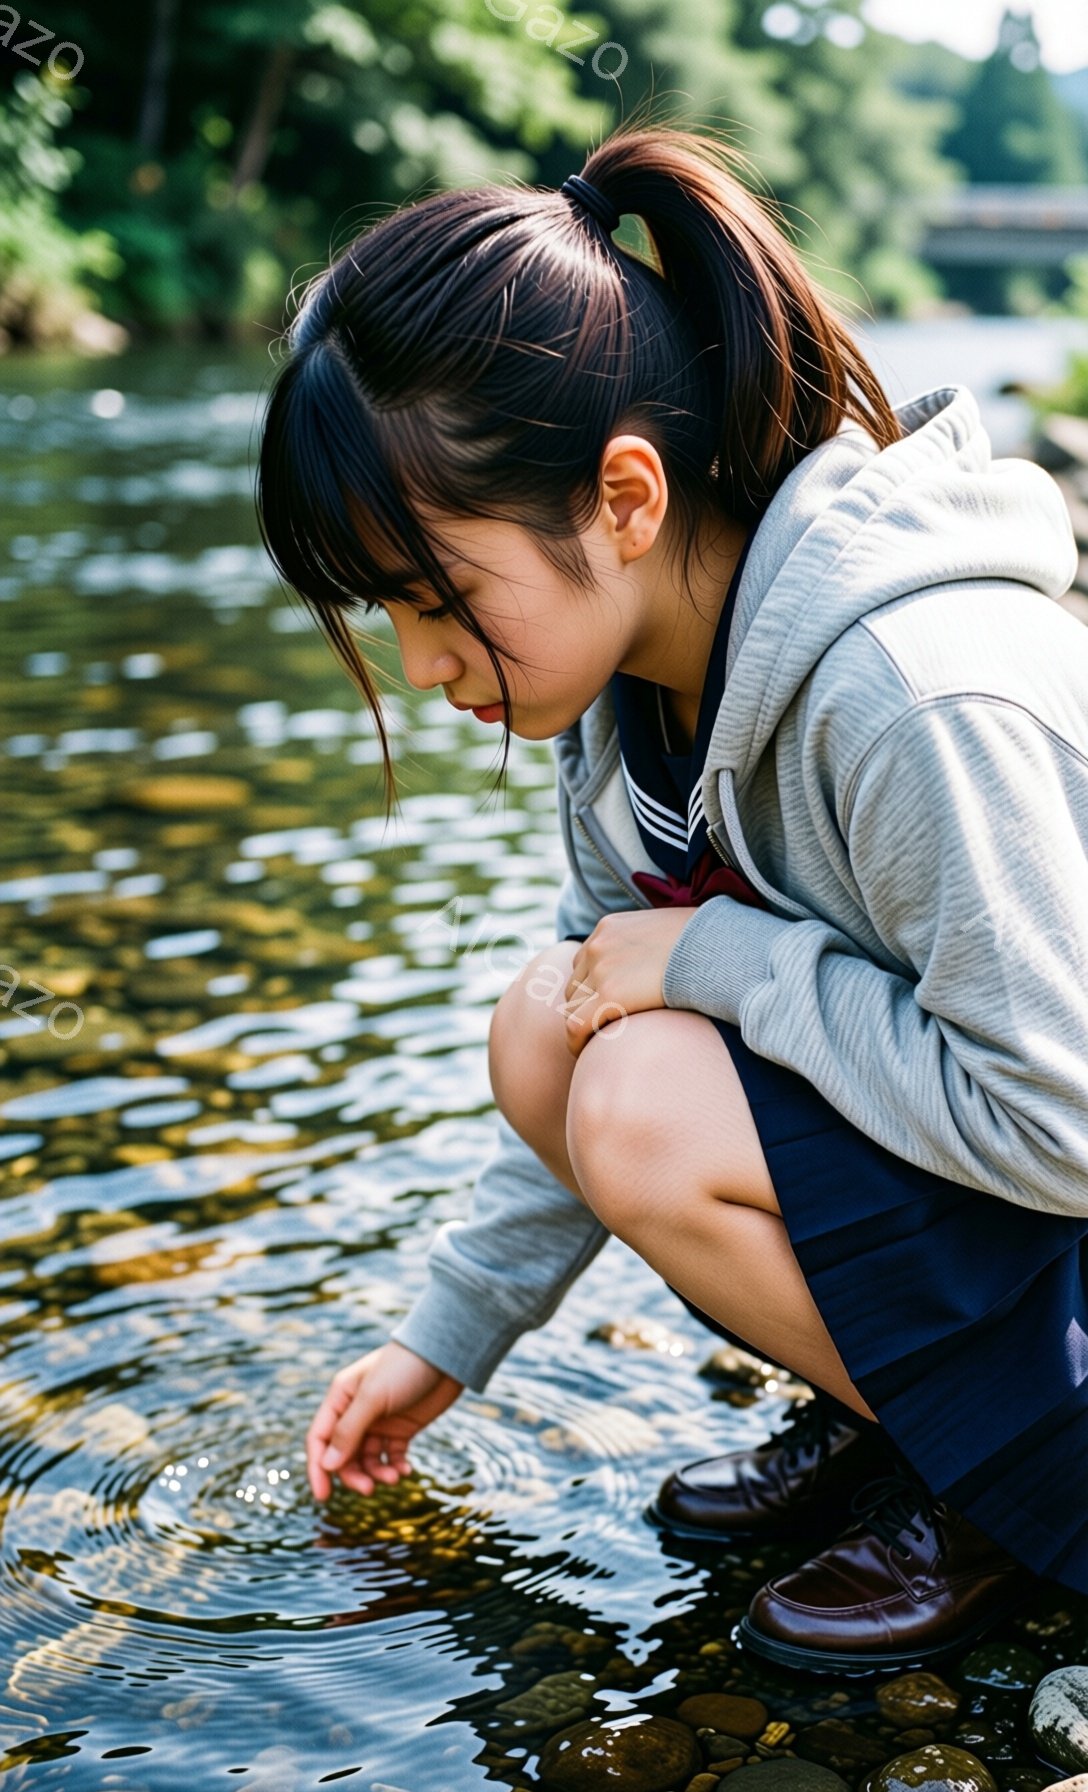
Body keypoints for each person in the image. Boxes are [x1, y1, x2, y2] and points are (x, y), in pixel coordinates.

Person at [255, 119, 1088, 1677]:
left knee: (636, 1084)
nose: (426, 669)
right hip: (1004, 1250)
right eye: (389, 614)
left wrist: (721, 961)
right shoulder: (624, 695)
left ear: (625, 496)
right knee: (551, 1028)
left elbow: (1063, 1123)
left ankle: (1000, 1480)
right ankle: (898, 1424)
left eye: (439, 602)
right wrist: (449, 1341)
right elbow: (602, 988)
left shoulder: (916, 694)